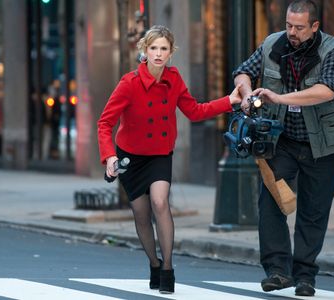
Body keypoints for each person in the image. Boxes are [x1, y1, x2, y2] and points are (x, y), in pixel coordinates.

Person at [98, 25, 242, 294]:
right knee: (141, 215)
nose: (158, 54)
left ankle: (168, 269)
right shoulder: (129, 83)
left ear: (170, 52)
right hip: (130, 157)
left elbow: (195, 111)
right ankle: (154, 263)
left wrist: (229, 101)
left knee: (160, 202)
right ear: (145, 50)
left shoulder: (174, 80)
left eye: (164, 48)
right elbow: (105, 123)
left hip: (160, 154)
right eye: (153, 48)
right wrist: (109, 157)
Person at [233, 0, 334, 297]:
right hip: (283, 141)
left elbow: (328, 89)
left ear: (314, 26)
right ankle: (277, 271)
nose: (292, 32)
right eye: (289, 25)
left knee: (313, 212)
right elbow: (242, 72)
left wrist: (280, 98)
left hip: (323, 144)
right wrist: (249, 94)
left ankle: (305, 276)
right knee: (271, 203)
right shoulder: (272, 43)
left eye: (299, 27)